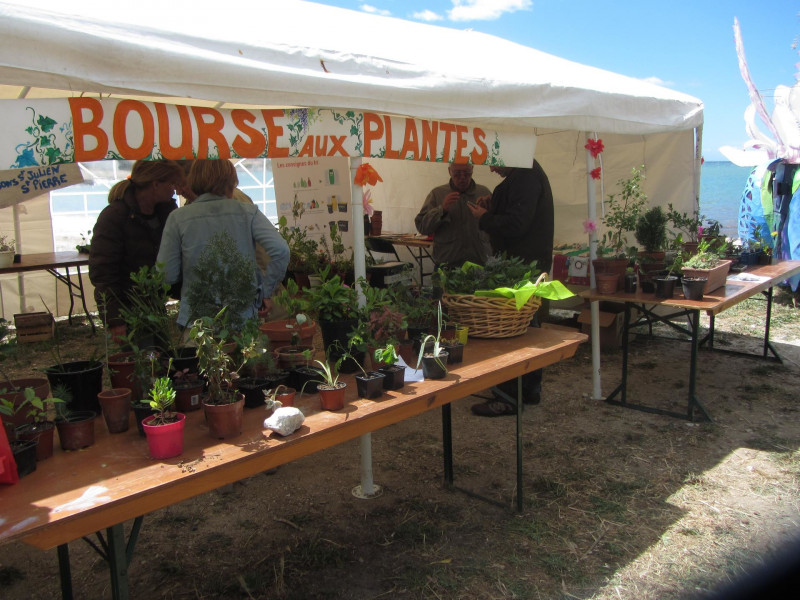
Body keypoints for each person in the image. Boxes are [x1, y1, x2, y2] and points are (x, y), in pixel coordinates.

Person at [466, 160, 555, 417]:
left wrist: (486, 218)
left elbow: (517, 225)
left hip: (521, 267)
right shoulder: (525, 175)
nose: (492, 170)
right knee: (528, 325)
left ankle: (507, 397)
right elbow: (521, 213)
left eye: (494, 164)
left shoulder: (526, 177)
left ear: (508, 156)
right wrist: (496, 205)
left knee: (512, 330)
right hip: (526, 264)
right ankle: (529, 389)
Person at [156, 159, 289, 328]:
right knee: (246, 352)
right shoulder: (247, 212)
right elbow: (281, 250)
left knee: (202, 353)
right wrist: (266, 292)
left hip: (197, 317)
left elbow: (166, 273)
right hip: (242, 314)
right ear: (231, 181)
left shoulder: (178, 218)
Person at [89, 159, 185, 339]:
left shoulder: (167, 214)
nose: (174, 190)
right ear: (155, 184)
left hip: (155, 304)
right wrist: (115, 319)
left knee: (160, 356)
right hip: (127, 307)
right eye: (171, 184)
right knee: (140, 360)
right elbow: (103, 272)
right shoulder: (114, 217)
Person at [414, 162, 493, 267]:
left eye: (467, 173)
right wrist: (441, 209)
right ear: (449, 171)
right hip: (447, 265)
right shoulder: (437, 194)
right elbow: (422, 227)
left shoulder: (483, 192)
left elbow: (498, 227)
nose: (462, 177)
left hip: (479, 264)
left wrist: (489, 213)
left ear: (472, 170)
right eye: (457, 173)